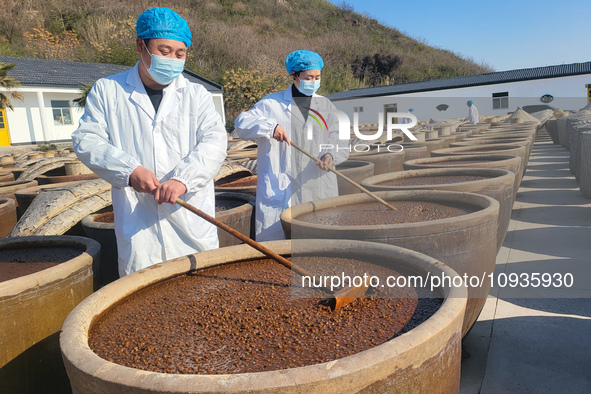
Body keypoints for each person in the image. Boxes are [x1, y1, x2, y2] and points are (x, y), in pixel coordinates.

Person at [72, 7, 227, 276]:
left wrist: (183, 179)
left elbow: (214, 141)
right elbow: (87, 139)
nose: (173, 60)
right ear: (140, 46)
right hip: (138, 221)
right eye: (164, 51)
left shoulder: (196, 95)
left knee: (201, 293)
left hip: (189, 220)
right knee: (145, 299)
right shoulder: (108, 90)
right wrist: (129, 171)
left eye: (180, 54)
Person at [234, 50, 349, 241]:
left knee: (320, 240)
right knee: (278, 246)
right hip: (281, 186)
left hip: (315, 181)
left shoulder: (325, 104)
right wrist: (271, 127)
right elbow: (242, 124)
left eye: (317, 77)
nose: (313, 81)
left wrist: (330, 155)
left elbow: (339, 137)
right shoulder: (271, 104)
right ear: (294, 76)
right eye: (308, 77)